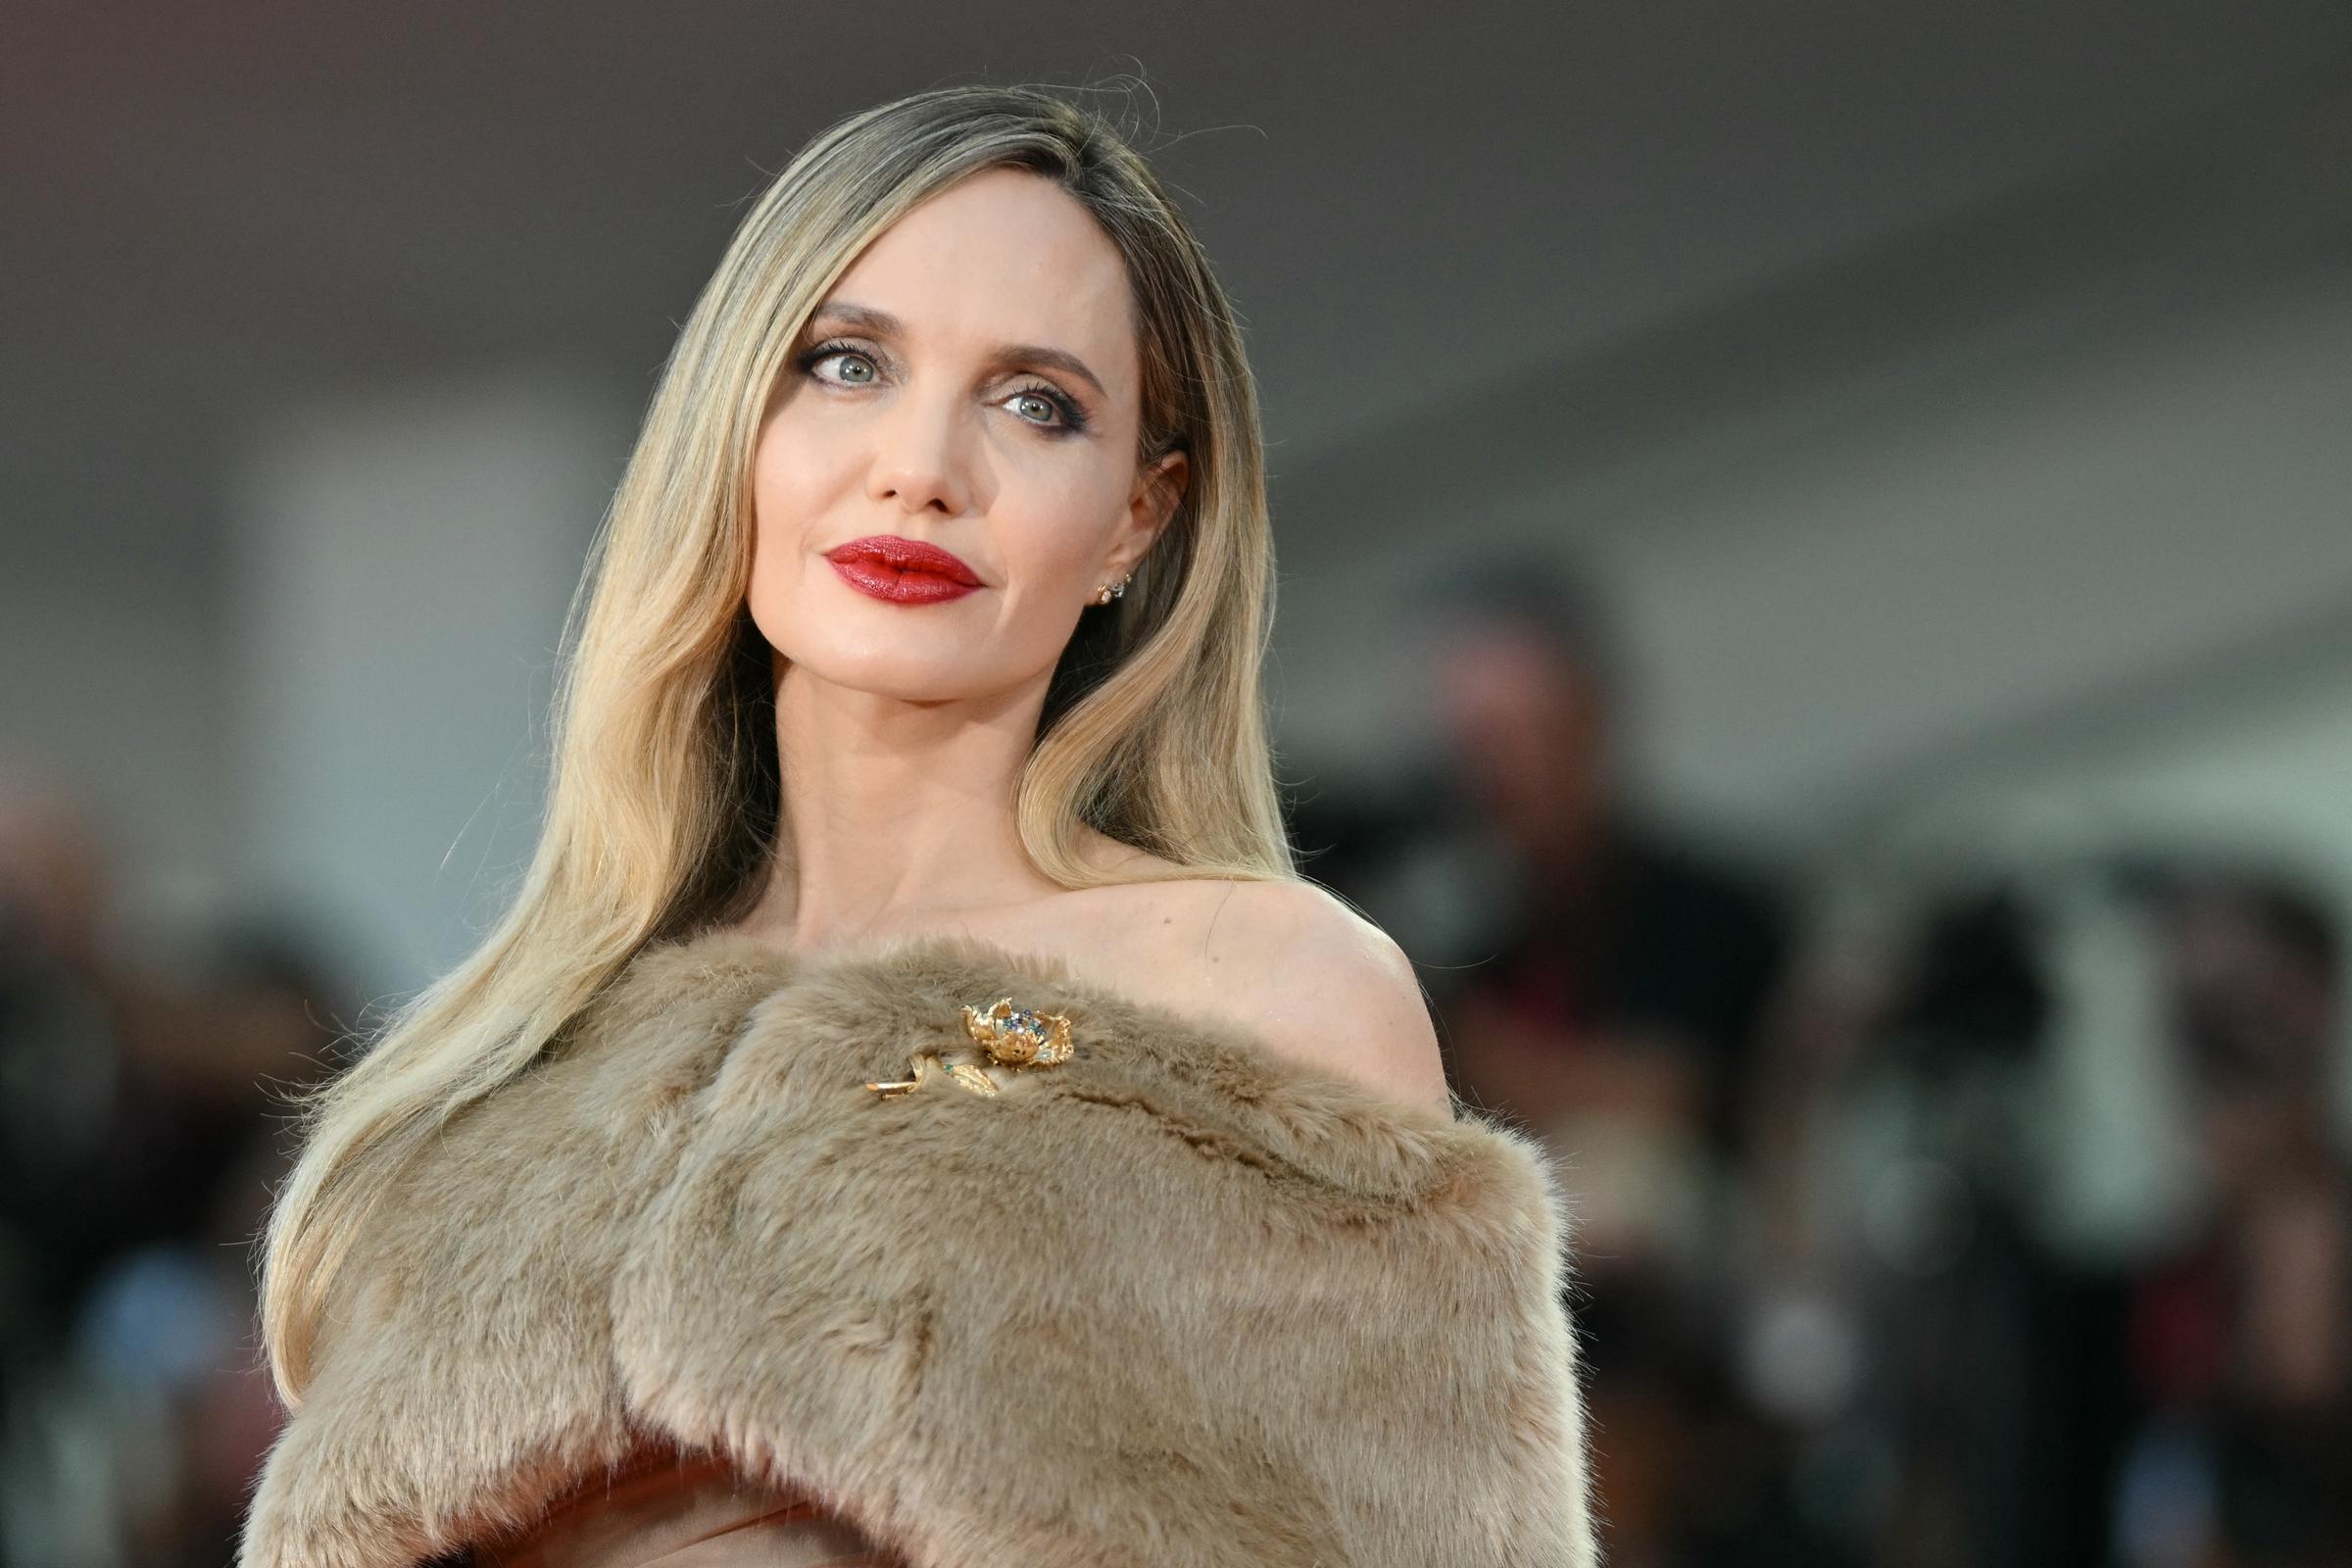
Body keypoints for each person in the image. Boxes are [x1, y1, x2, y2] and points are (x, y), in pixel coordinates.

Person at [235, 86, 1598, 1568]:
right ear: (737, 422)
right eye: (845, 364)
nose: (923, 465)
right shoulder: (500, 1079)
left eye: (1036, 404)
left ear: (1139, 518)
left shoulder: (1258, 990)